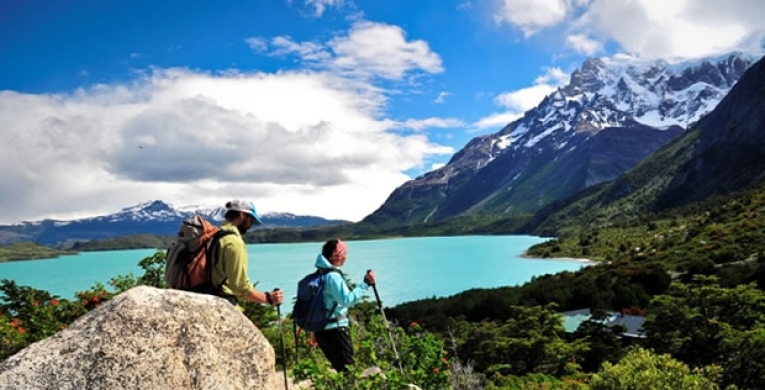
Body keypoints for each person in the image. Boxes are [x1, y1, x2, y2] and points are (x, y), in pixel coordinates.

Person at [313, 238, 376, 372]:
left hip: (321, 330)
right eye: (344, 252)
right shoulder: (332, 276)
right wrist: (365, 284)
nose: (346, 255)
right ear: (336, 254)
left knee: (340, 370)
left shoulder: (320, 273)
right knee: (349, 372)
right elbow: (346, 300)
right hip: (336, 330)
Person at [211, 199, 283, 307]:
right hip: (220, 303)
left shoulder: (214, 235)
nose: (251, 225)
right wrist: (269, 298)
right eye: (251, 220)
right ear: (242, 215)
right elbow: (240, 287)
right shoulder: (234, 243)